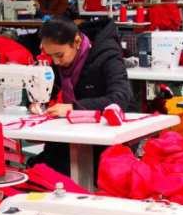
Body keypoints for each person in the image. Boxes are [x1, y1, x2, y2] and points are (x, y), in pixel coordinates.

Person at [32, 16, 133, 175]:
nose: (55, 62)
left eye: (59, 55)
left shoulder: (107, 56)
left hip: (114, 133)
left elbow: (120, 99)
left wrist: (73, 108)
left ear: (77, 42)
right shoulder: (63, 62)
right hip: (82, 130)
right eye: (51, 56)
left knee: (60, 167)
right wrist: (35, 102)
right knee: (44, 163)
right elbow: (47, 90)